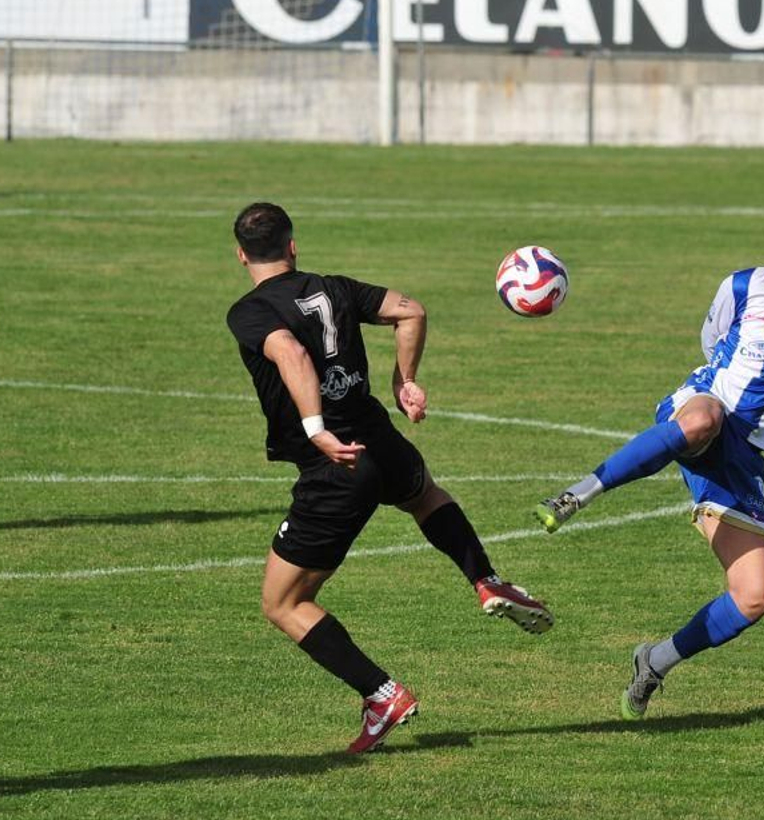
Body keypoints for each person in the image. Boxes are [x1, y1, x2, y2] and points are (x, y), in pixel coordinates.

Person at [533, 122, 764, 720]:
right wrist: (699, 399)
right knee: (704, 416)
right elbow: (712, 344)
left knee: (756, 597)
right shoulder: (742, 284)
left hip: (742, 454)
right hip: (701, 407)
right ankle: (579, 492)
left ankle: (655, 660)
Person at [226, 202, 553, 754]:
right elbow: (412, 311)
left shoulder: (250, 312)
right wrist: (406, 381)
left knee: (282, 603)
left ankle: (382, 694)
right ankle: (485, 578)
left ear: (240, 255)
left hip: (337, 466)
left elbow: (291, 357)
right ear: (293, 246)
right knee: (424, 495)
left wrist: (315, 430)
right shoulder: (335, 288)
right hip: (378, 436)